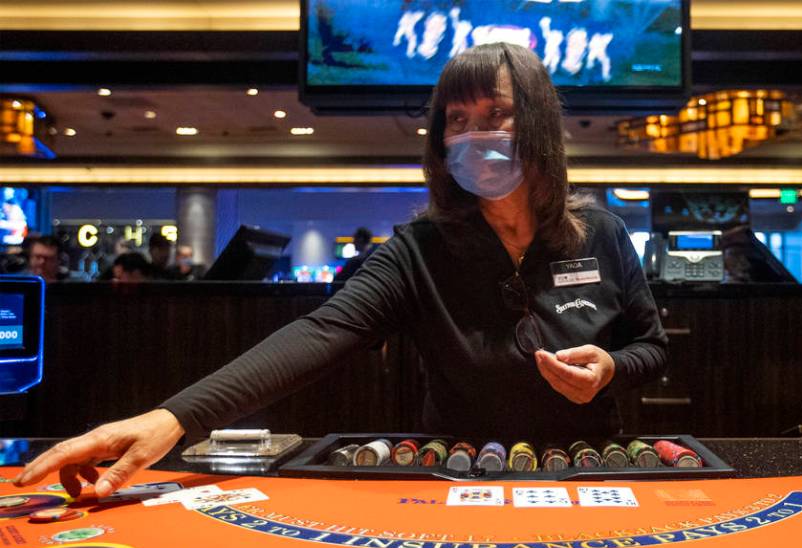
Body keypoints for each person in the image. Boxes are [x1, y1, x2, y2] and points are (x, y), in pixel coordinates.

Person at [14, 43, 667, 498]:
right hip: (454, 473)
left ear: (538, 126)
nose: (476, 136)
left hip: (589, 469)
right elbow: (317, 334)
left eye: (496, 115)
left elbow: (652, 347)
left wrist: (613, 367)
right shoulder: (420, 248)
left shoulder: (603, 232)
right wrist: (172, 419)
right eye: (457, 121)